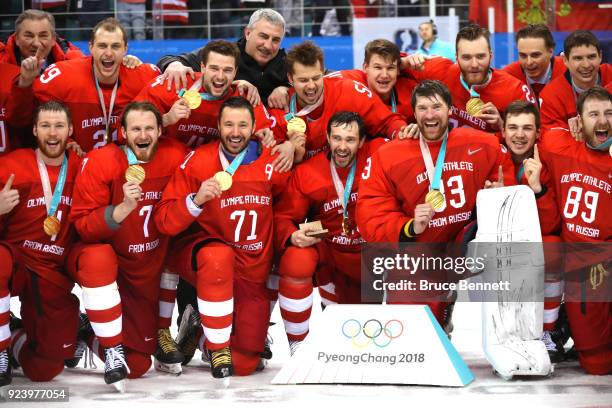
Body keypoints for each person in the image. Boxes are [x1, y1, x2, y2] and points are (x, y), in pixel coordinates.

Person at [356, 80, 514, 325]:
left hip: (465, 246)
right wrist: (409, 227)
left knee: (509, 264)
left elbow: (506, 182)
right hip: (420, 252)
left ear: (450, 110)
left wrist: (499, 198)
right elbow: (370, 212)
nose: (430, 115)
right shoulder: (389, 156)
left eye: (436, 107)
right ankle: (442, 305)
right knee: (413, 331)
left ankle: (508, 339)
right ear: (414, 112)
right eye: (422, 108)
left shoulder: (482, 144)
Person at [154, 96, 290, 379]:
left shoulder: (273, 161)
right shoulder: (197, 161)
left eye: (243, 125)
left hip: (251, 272)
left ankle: (200, 328)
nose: (236, 132)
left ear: (254, 126)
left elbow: (286, 206)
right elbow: (164, 220)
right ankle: (217, 347)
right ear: (218, 126)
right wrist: (195, 199)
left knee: (245, 365)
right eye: (229, 124)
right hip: (208, 260)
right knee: (218, 256)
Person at [69, 102, 188, 388]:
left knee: (137, 366)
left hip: (147, 269)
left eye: (149, 128)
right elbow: (83, 226)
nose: (143, 134)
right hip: (112, 267)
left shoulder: (177, 155)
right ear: (122, 132)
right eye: (135, 128)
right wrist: (121, 209)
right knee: (98, 257)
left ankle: (95, 332)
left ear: (161, 130)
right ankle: (102, 339)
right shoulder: (101, 161)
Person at [274, 111, 386, 354]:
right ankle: (299, 347)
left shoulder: (379, 156)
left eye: (350, 139)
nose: (342, 147)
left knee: (361, 343)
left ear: (362, 141)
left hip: (369, 255)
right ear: (327, 137)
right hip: (329, 247)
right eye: (336, 138)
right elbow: (284, 217)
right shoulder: (308, 172)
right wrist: (293, 235)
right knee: (296, 258)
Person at [0, 101, 82, 385]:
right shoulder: (11, 165)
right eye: (45, 125)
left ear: (70, 130)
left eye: (59, 126)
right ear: (34, 129)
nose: (52, 133)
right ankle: (0, 348)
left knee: (45, 369)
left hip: (51, 272)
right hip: (15, 262)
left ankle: (14, 335)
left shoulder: (82, 168)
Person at [538, 86, 611, 375]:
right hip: (583, 270)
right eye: (594, 114)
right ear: (578, 122)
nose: (602, 121)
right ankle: (564, 320)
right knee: (597, 365)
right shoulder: (559, 146)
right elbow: (529, 133)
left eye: (608, 114)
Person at [8, 18, 160, 154]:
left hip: (125, 168)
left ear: (125, 49)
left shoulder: (144, 75)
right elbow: (22, 119)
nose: (108, 53)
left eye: (115, 46)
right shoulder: (62, 75)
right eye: (102, 46)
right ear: (91, 47)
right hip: (76, 166)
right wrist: (66, 141)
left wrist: (175, 64)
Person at [136, 39, 293, 169]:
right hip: (168, 163)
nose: (220, 77)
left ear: (235, 72)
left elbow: (268, 134)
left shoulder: (245, 96)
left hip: (212, 168)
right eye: (214, 68)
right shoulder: (174, 84)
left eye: (227, 70)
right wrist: (166, 119)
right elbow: (128, 128)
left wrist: (275, 141)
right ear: (203, 67)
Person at [501, 100, 567, 362]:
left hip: (536, 237)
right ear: (503, 131)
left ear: (538, 133)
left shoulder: (547, 162)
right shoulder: (490, 155)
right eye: (513, 128)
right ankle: (506, 333)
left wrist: (538, 188)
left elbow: (551, 224)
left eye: (527, 128)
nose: (519, 135)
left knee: (552, 250)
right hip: (499, 237)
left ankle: (546, 332)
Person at [269, 41, 409, 162]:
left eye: (316, 78)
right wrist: (292, 156)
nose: (311, 86)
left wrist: (403, 133)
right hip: (306, 181)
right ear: (290, 79)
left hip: (348, 172)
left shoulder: (347, 90)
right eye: (303, 80)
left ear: (323, 72)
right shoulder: (280, 108)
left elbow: (387, 122)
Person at [401, 24, 530, 134]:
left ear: (491, 56)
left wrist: (502, 126)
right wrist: (404, 61)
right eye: (466, 57)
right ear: (456, 58)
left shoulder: (514, 90)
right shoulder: (440, 71)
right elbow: (389, 66)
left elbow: (530, 137)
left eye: (480, 56)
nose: (474, 64)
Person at [156, 9, 292, 109]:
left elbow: (308, 86)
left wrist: (285, 88)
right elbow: (168, 59)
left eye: (275, 40)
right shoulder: (224, 54)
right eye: (263, 36)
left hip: (266, 134)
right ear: (248, 33)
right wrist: (174, 64)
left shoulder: (288, 64)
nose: (268, 45)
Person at [540, 30, 612, 133]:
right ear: (565, 60)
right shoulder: (551, 95)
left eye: (591, 57)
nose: (586, 65)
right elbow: (550, 140)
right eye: (578, 58)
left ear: (600, 56)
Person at [340, 39, 417, 123]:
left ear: (398, 69)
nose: (384, 75)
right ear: (366, 68)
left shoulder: (411, 94)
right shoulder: (348, 86)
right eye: (378, 68)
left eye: (390, 68)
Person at [502, 24, 566, 106]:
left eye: (535, 55)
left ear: (550, 51)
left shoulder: (569, 71)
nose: (529, 62)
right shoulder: (507, 76)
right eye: (523, 55)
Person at [0, 9, 83, 66]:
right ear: (17, 39)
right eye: (29, 36)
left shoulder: (75, 62)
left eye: (43, 36)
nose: (36, 43)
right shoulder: (2, 62)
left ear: (53, 39)